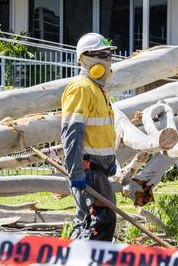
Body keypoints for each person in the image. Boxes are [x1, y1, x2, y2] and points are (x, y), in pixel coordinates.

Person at [61, 32, 118, 241]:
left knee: (90, 224)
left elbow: (100, 133)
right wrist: (76, 172)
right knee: (99, 224)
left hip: (97, 170)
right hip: (87, 170)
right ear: (86, 58)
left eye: (109, 55)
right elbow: (72, 133)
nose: (108, 60)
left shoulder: (97, 90)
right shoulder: (81, 88)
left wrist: (109, 162)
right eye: (102, 55)